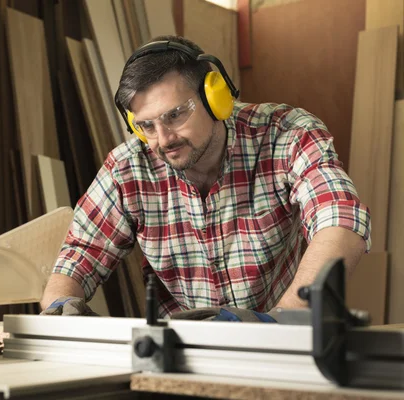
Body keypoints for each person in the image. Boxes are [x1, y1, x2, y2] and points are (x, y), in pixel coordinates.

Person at [40, 35, 371, 319]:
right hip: (183, 358)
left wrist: (283, 323)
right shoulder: (128, 168)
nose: (164, 138)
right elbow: (79, 254)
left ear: (216, 97)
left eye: (175, 115)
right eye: (147, 126)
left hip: (283, 341)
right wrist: (61, 306)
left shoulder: (285, 134)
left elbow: (339, 223)